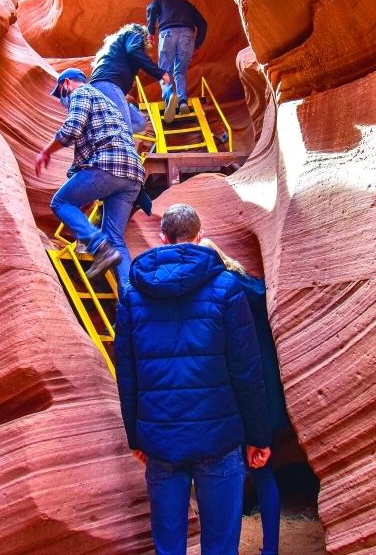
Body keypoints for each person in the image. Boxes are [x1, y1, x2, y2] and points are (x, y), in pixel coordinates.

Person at [115, 203, 271, 555]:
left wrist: (135, 437)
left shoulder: (132, 293)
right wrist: (258, 435)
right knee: (220, 544)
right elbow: (247, 369)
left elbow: (127, 373)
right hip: (219, 439)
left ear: (163, 238)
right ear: (199, 238)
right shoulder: (226, 288)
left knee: (169, 546)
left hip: (160, 439)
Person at [201, 238, 289, 555]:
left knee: (232, 474)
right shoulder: (253, 289)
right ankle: (271, 549)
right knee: (263, 472)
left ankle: (231, 547)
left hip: (236, 398)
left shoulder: (219, 292)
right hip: (266, 396)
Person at [35, 67, 144, 284]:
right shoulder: (107, 103)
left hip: (109, 164)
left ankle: (97, 245)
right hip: (132, 172)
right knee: (116, 241)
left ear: (66, 84)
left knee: (61, 202)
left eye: (60, 94)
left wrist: (46, 151)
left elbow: (72, 129)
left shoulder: (81, 93)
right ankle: (131, 306)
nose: (62, 100)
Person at [90, 23, 171, 135]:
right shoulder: (132, 34)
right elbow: (134, 51)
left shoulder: (114, 45)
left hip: (105, 85)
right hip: (110, 84)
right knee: (124, 126)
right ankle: (115, 143)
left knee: (140, 122)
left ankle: (112, 132)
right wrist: (159, 73)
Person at [146, 0, 208, 122]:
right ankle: (182, 102)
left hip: (168, 33)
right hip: (187, 35)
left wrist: (151, 31)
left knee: (164, 71)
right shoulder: (187, 4)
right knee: (180, 71)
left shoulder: (159, 0)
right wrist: (197, 43)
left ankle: (170, 97)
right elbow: (203, 23)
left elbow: (152, 9)